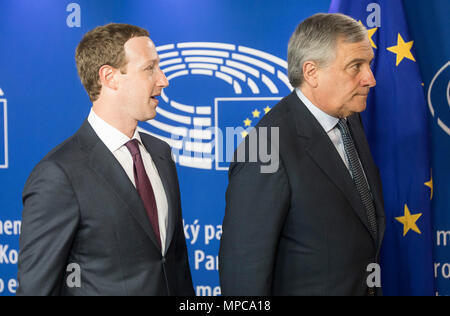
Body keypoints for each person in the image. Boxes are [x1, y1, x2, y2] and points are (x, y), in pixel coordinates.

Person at [17, 23, 194, 296]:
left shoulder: (161, 154)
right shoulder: (59, 175)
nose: (163, 80)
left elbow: (175, 264)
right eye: (150, 68)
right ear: (109, 77)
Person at [219, 13, 386, 296]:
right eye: (355, 66)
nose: (369, 78)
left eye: (368, 64)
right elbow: (243, 273)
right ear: (311, 73)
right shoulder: (265, 145)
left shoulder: (349, 120)